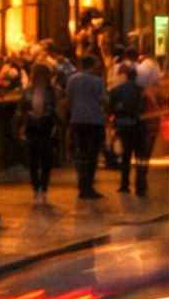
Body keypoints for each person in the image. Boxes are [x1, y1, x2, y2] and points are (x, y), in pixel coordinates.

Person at [64, 54, 108, 200]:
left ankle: (81, 181)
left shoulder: (72, 79)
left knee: (80, 152)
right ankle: (88, 184)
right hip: (94, 120)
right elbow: (103, 99)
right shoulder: (97, 81)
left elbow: (68, 98)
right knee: (93, 154)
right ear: (94, 66)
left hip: (77, 119)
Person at [18, 61, 60, 207]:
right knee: (34, 160)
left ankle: (42, 187)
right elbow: (23, 109)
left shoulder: (53, 91)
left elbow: (56, 110)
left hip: (46, 127)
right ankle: (37, 188)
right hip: (32, 126)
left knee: (46, 160)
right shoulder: (28, 91)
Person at [108, 61, 153, 196]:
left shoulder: (116, 91)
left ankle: (124, 184)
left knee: (126, 155)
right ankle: (141, 185)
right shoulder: (142, 90)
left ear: (126, 76)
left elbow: (110, 108)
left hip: (123, 125)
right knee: (140, 156)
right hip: (138, 125)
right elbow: (144, 108)